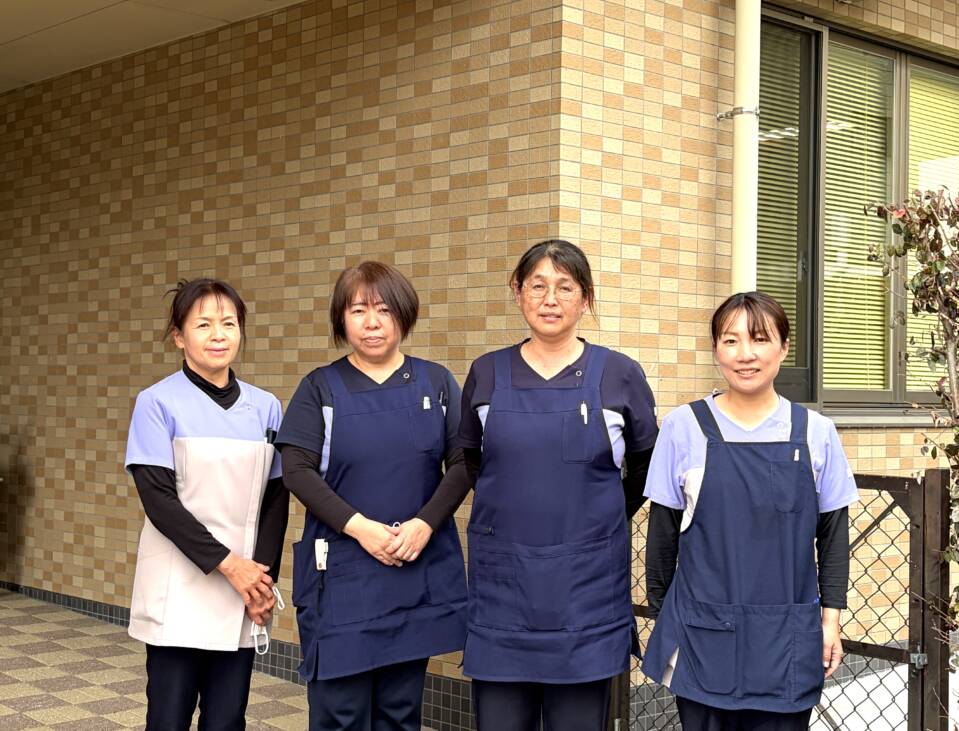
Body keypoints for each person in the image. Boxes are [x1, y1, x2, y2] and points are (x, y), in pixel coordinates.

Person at [455, 239, 659, 731]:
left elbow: (645, 466)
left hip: (585, 592)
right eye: (538, 286)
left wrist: (596, 518)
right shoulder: (487, 372)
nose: (550, 299)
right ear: (518, 292)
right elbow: (472, 460)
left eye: (565, 287)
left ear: (585, 298)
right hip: (504, 589)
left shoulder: (619, 374)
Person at [642, 291, 859, 731]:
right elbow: (661, 539)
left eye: (760, 339)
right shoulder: (683, 427)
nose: (745, 354)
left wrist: (831, 621)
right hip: (703, 637)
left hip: (787, 641)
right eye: (731, 340)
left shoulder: (816, 432)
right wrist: (668, 617)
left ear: (784, 347)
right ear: (716, 350)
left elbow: (834, 537)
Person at [274, 261, 467, 731]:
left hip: (413, 568)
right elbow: (296, 470)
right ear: (341, 319)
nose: (372, 322)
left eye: (383, 309)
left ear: (404, 315)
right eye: (358, 310)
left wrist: (424, 524)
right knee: (341, 713)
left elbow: (464, 462)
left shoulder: (436, 383)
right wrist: (360, 528)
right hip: (343, 575)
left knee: (400, 712)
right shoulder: (320, 388)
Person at [125, 278, 290, 731]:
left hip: (242, 591)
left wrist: (261, 580)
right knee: (169, 717)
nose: (218, 335)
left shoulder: (266, 407)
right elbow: (159, 501)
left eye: (229, 323)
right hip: (179, 586)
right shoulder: (157, 403)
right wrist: (231, 566)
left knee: (227, 718)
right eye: (203, 325)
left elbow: (276, 498)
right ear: (179, 336)